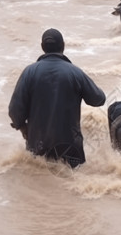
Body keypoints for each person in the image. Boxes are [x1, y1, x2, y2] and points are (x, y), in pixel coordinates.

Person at [8, 28, 106, 168]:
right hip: (70, 146)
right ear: (63, 46)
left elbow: (14, 109)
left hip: (37, 144)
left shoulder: (29, 72)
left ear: (42, 47)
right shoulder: (75, 72)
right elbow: (99, 99)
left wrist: (22, 127)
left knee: (37, 182)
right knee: (72, 183)